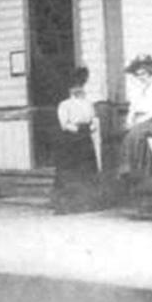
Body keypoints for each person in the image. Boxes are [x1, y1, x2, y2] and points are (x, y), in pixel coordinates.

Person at [52, 66, 101, 213]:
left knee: (87, 170)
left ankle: (87, 203)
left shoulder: (88, 103)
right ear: (70, 89)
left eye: (80, 86)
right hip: (71, 140)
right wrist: (79, 130)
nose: (77, 90)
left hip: (85, 140)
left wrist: (92, 127)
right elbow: (64, 124)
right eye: (74, 87)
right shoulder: (64, 105)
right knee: (70, 171)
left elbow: (94, 119)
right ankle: (68, 205)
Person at [122, 54, 152, 176]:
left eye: (143, 74)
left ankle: (131, 168)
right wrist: (129, 120)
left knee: (133, 136)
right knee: (128, 136)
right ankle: (147, 168)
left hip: (150, 120)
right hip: (137, 120)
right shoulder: (137, 89)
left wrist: (138, 122)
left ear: (149, 72)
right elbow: (132, 108)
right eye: (138, 75)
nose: (141, 77)